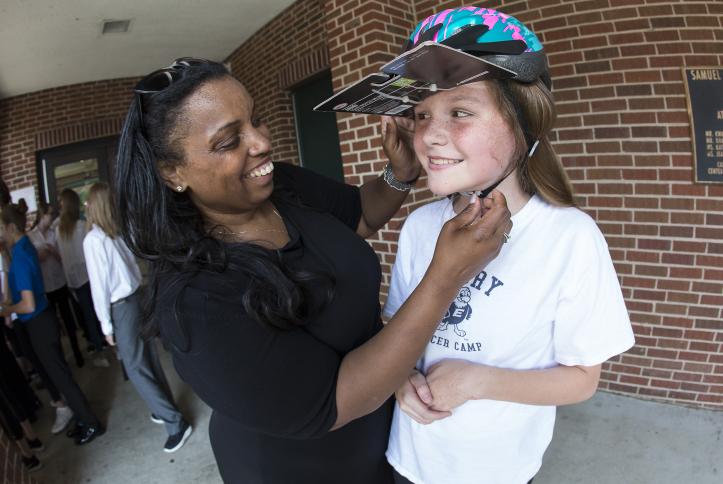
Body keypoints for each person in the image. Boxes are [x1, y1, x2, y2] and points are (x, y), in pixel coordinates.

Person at [113, 58, 511, 483]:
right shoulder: (196, 300)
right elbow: (333, 401)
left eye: (256, 119)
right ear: (172, 172)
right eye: (229, 141)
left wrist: (400, 174)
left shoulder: (280, 187)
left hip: (385, 440)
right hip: (297, 468)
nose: (261, 142)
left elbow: (359, 215)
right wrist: (446, 276)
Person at [382, 8, 636, 484]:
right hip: (410, 459)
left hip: (499, 470)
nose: (429, 136)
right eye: (420, 115)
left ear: (524, 124)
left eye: (460, 112)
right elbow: (396, 325)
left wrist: (478, 381)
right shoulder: (419, 226)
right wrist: (399, 378)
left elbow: (583, 378)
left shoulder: (570, 237)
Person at [82, 182, 192, 452]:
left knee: (135, 367)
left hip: (122, 307)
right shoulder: (117, 231)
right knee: (149, 359)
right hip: (137, 297)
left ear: (94, 206)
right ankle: (164, 407)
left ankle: (174, 422)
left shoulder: (93, 240)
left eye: (88, 201)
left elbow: (99, 287)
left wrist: (105, 324)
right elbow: (133, 267)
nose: (85, 205)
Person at [0, 203, 104, 445]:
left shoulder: (23, 255)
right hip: (40, 321)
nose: (1, 233)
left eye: (2, 228)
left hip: (38, 323)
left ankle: (91, 424)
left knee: (62, 379)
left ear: (11, 227)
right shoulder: (22, 247)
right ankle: (83, 419)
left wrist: (5, 309)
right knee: (60, 377)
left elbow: (27, 305)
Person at [55, 189, 109, 366]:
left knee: (86, 315)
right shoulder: (81, 227)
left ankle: (98, 347)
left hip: (73, 280)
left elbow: (63, 257)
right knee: (96, 311)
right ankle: (104, 342)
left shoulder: (59, 230)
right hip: (88, 276)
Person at [28, 202, 85, 367]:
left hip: (60, 281)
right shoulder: (31, 237)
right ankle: (61, 358)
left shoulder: (55, 234)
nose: (51, 217)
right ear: (41, 215)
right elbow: (31, 263)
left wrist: (53, 252)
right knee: (54, 325)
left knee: (68, 320)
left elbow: (64, 258)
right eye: (49, 214)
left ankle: (77, 353)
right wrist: (39, 256)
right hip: (46, 286)